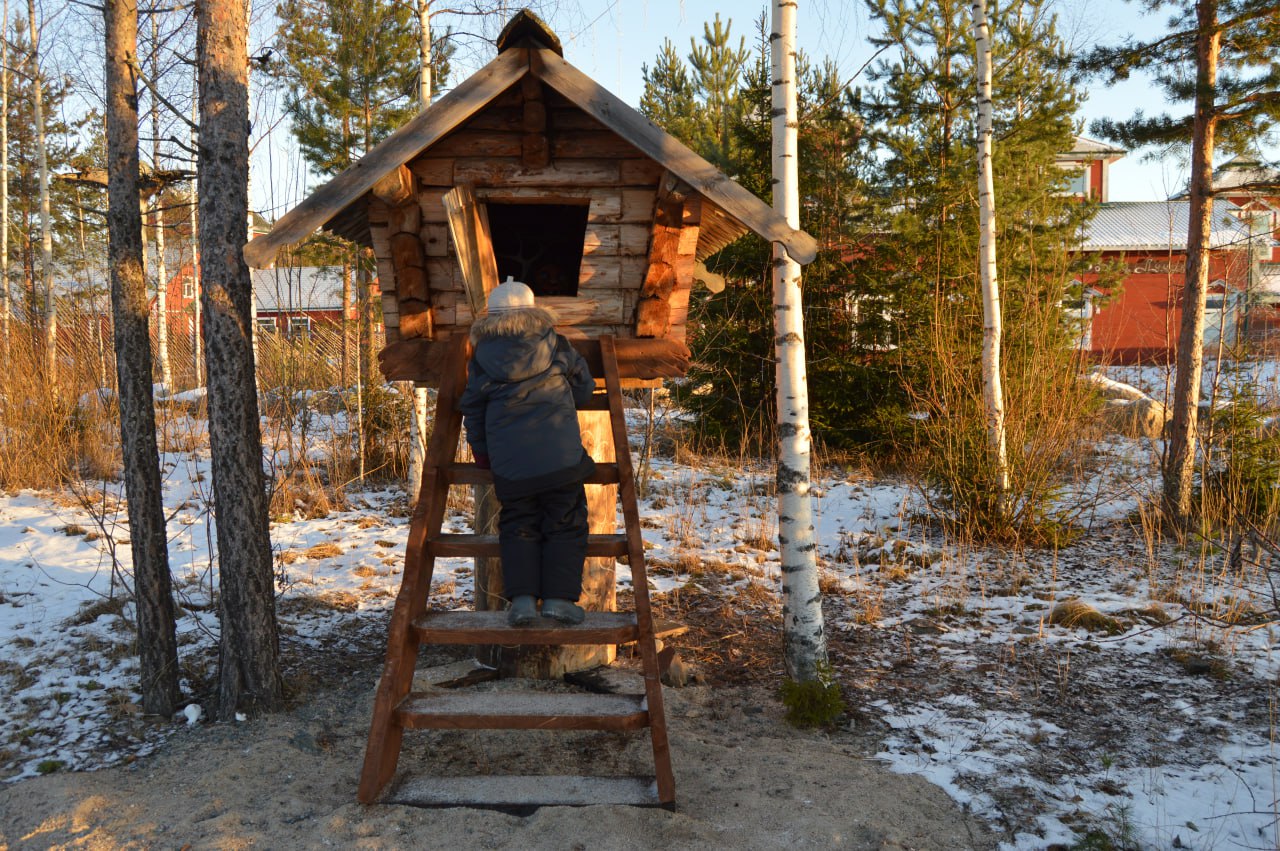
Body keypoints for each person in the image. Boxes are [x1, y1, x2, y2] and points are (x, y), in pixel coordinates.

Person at [458, 278, 596, 627]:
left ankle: (521, 603)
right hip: (560, 458)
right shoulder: (556, 344)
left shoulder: (481, 358)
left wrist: (483, 454)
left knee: (518, 524)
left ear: (492, 316)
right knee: (566, 523)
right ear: (533, 312)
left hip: (511, 465)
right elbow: (583, 392)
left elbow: (472, 410)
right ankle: (558, 600)